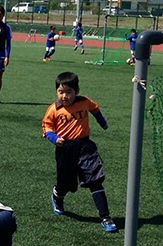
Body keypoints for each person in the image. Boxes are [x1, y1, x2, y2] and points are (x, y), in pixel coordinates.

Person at [41, 71, 117, 233]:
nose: (64, 96)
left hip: (85, 147)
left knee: (95, 180)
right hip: (65, 149)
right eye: (61, 92)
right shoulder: (54, 109)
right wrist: (54, 138)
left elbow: (95, 109)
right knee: (65, 184)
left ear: (77, 91)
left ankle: (105, 217)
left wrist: (102, 122)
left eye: (69, 92)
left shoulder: (84, 102)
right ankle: (57, 196)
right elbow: (46, 127)